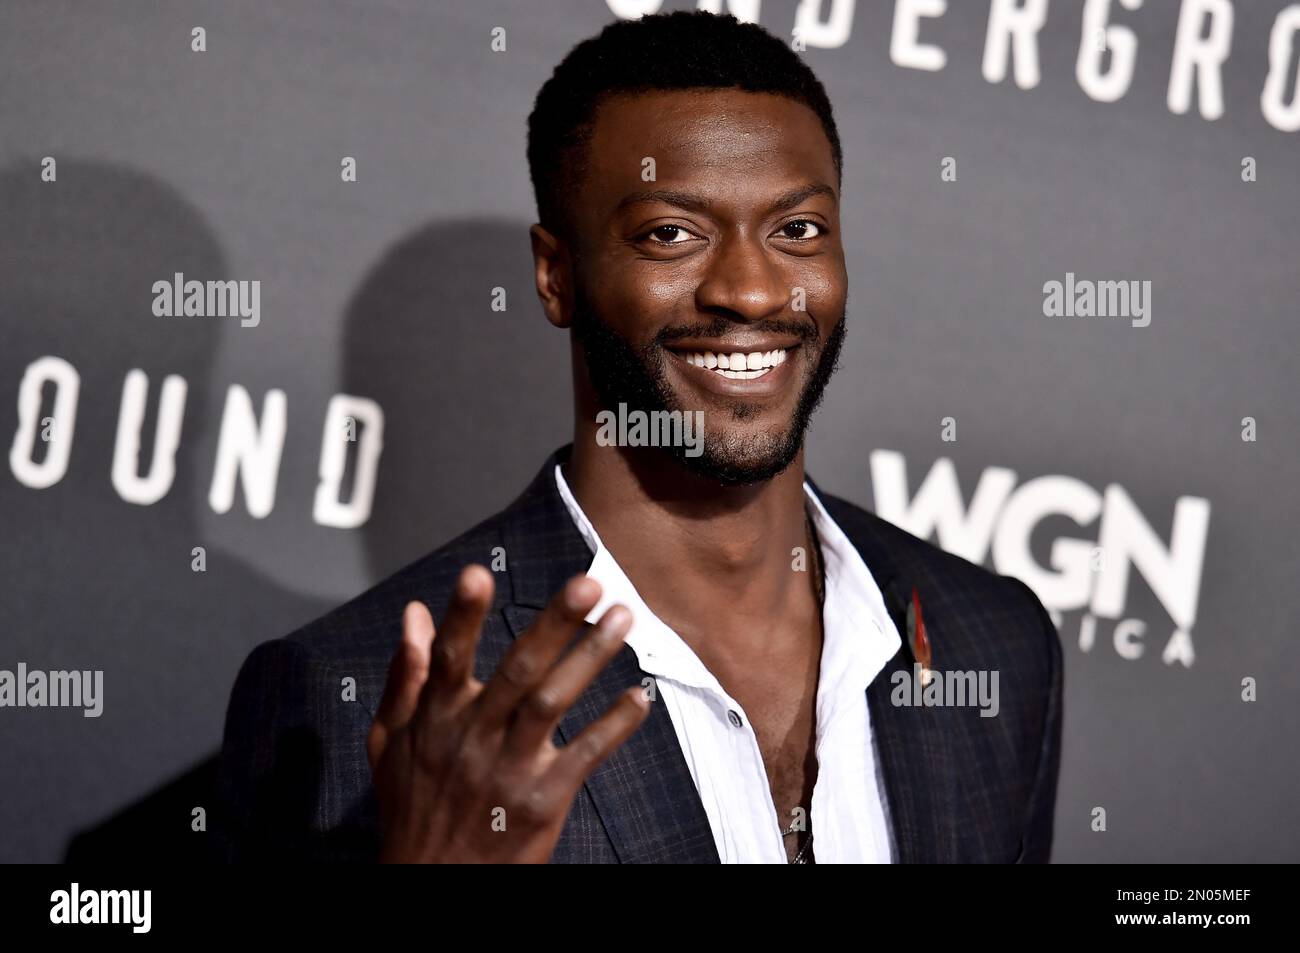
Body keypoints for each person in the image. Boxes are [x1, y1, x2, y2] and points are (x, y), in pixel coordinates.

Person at [216, 11, 1062, 864]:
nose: (754, 291)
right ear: (556, 276)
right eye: (672, 234)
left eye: (797, 229)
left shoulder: (990, 643)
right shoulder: (347, 701)